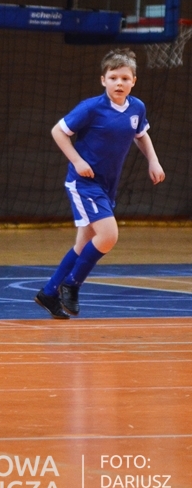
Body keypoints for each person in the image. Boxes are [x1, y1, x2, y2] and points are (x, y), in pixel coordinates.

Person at [34, 50, 165, 320]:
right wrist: (77, 161)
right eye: (113, 77)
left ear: (133, 81)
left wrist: (153, 161)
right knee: (108, 235)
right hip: (84, 183)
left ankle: (48, 293)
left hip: (107, 185)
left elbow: (141, 135)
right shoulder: (91, 108)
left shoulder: (137, 108)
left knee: (83, 244)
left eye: (125, 78)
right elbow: (58, 131)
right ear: (103, 80)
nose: (119, 83)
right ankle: (72, 283)